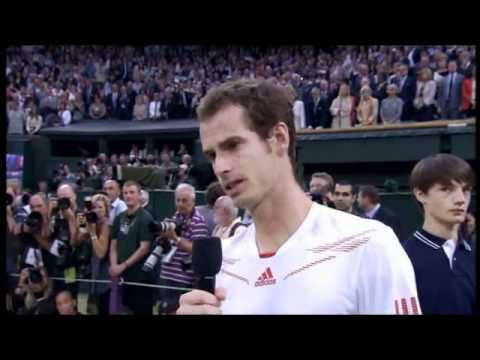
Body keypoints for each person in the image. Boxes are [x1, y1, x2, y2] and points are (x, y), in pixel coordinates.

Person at [177, 78, 419, 314]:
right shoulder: (224, 261)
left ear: (279, 138)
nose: (221, 167)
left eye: (233, 145)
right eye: (212, 155)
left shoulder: (368, 245)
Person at [403, 154, 475, 314]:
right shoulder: (402, 259)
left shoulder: (471, 254)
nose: (461, 199)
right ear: (420, 194)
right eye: (446, 189)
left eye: (466, 190)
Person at [157, 183, 208, 314]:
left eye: (184, 200)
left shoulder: (198, 221)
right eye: (178, 200)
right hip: (166, 274)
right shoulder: (175, 217)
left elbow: (198, 250)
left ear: (193, 201)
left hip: (182, 280)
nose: (180, 204)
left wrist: (176, 239)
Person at [109, 181, 155, 314]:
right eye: (125, 193)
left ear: (139, 195)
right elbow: (113, 244)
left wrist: (122, 266)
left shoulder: (145, 218)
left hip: (140, 277)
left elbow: (144, 248)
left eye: (132, 192)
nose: (128, 196)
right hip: (122, 276)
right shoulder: (119, 217)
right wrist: (114, 266)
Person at [75, 194, 111, 314]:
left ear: (106, 210)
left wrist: (92, 233)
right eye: (94, 207)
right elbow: (75, 242)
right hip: (93, 278)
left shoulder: (107, 225)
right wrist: (81, 226)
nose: (97, 210)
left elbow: (101, 253)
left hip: (106, 280)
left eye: (100, 207)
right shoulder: (92, 224)